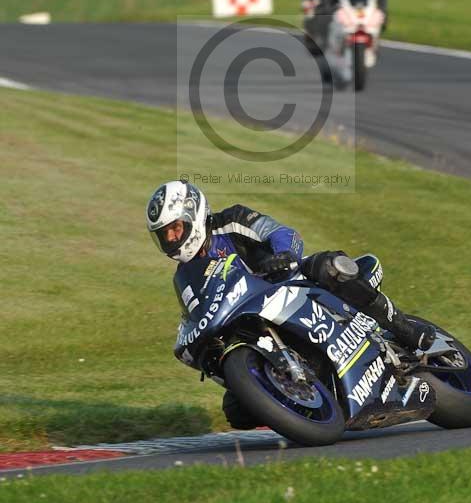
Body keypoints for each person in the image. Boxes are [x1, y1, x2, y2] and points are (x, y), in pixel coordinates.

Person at [146, 180, 436, 428]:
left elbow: (282, 233)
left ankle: (402, 326)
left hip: (288, 281)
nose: (172, 239)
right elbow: (195, 313)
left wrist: (282, 254)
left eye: (175, 229)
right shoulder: (183, 277)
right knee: (236, 412)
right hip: (254, 324)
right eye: (164, 235)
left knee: (330, 266)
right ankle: (312, 403)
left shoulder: (231, 221)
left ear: (193, 213)